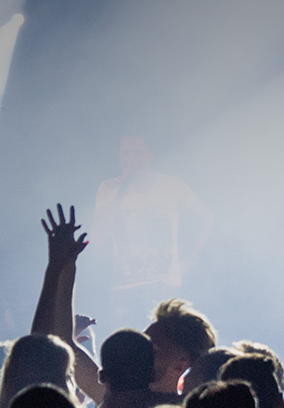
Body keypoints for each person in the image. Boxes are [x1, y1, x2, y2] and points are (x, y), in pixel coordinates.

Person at [91, 135, 214, 330]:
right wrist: (121, 191)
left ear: (149, 156)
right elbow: (98, 237)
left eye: (136, 152)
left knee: (164, 345)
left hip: (165, 283)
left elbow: (206, 216)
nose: (130, 158)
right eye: (125, 153)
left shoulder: (172, 185)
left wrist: (193, 256)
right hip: (124, 285)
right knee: (126, 350)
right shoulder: (109, 188)